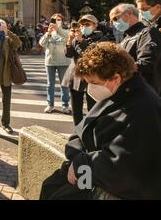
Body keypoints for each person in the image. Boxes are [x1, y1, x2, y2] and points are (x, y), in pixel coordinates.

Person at [41, 42, 161, 200]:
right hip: (92, 174)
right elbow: (82, 130)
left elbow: (124, 165)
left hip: (116, 187)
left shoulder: (142, 108)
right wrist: (76, 159)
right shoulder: (117, 93)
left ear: (116, 78)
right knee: (51, 186)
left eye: (94, 83)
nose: (90, 88)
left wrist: (81, 164)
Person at [65, 14, 107, 126]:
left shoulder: (102, 38)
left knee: (92, 107)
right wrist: (69, 41)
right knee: (76, 108)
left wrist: (81, 40)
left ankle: (91, 131)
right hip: (76, 76)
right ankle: (77, 131)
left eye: (87, 24)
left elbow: (93, 54)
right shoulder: (76, 38)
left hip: (92, 77)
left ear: (95, 25)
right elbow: (69, 55)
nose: (84, 27)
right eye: (82, 25)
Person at [109, 4, 161, 94]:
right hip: (129, 92)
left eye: (115, 18)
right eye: (111, 21)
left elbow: (146, 64)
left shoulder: (148, 32)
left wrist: (116, 69)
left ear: (129, 13)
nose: (114, 23)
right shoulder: (125, 39)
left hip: (144, 93)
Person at [39, 14, 71, 114]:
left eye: (58, 19)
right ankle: (50, 104)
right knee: (50, 85)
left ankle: (65, 105)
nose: (56, 21)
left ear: (62, 21)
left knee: (64, 85)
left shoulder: (66, 31)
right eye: (54, 20)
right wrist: (48, 33)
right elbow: (42, 43)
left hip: (63, 62)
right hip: (50, 62)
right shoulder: (49, 32)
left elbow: (69, 38)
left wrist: (58, 30)